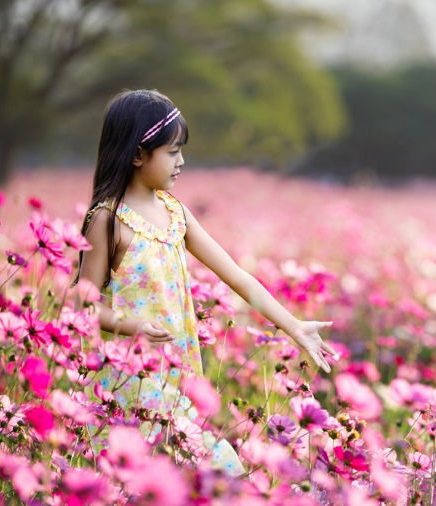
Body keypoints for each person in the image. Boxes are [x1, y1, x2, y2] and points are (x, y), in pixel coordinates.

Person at [75, 89, 338, 476]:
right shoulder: (108, 220)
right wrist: (131, 326)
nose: (181, 162)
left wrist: (294, 326)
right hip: (128, 381)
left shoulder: (174, 212)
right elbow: (83, 304)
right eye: (172, 151)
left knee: (186, 479)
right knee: (209, 473)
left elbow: (238, 277)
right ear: (137, 155)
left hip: (177, 378)